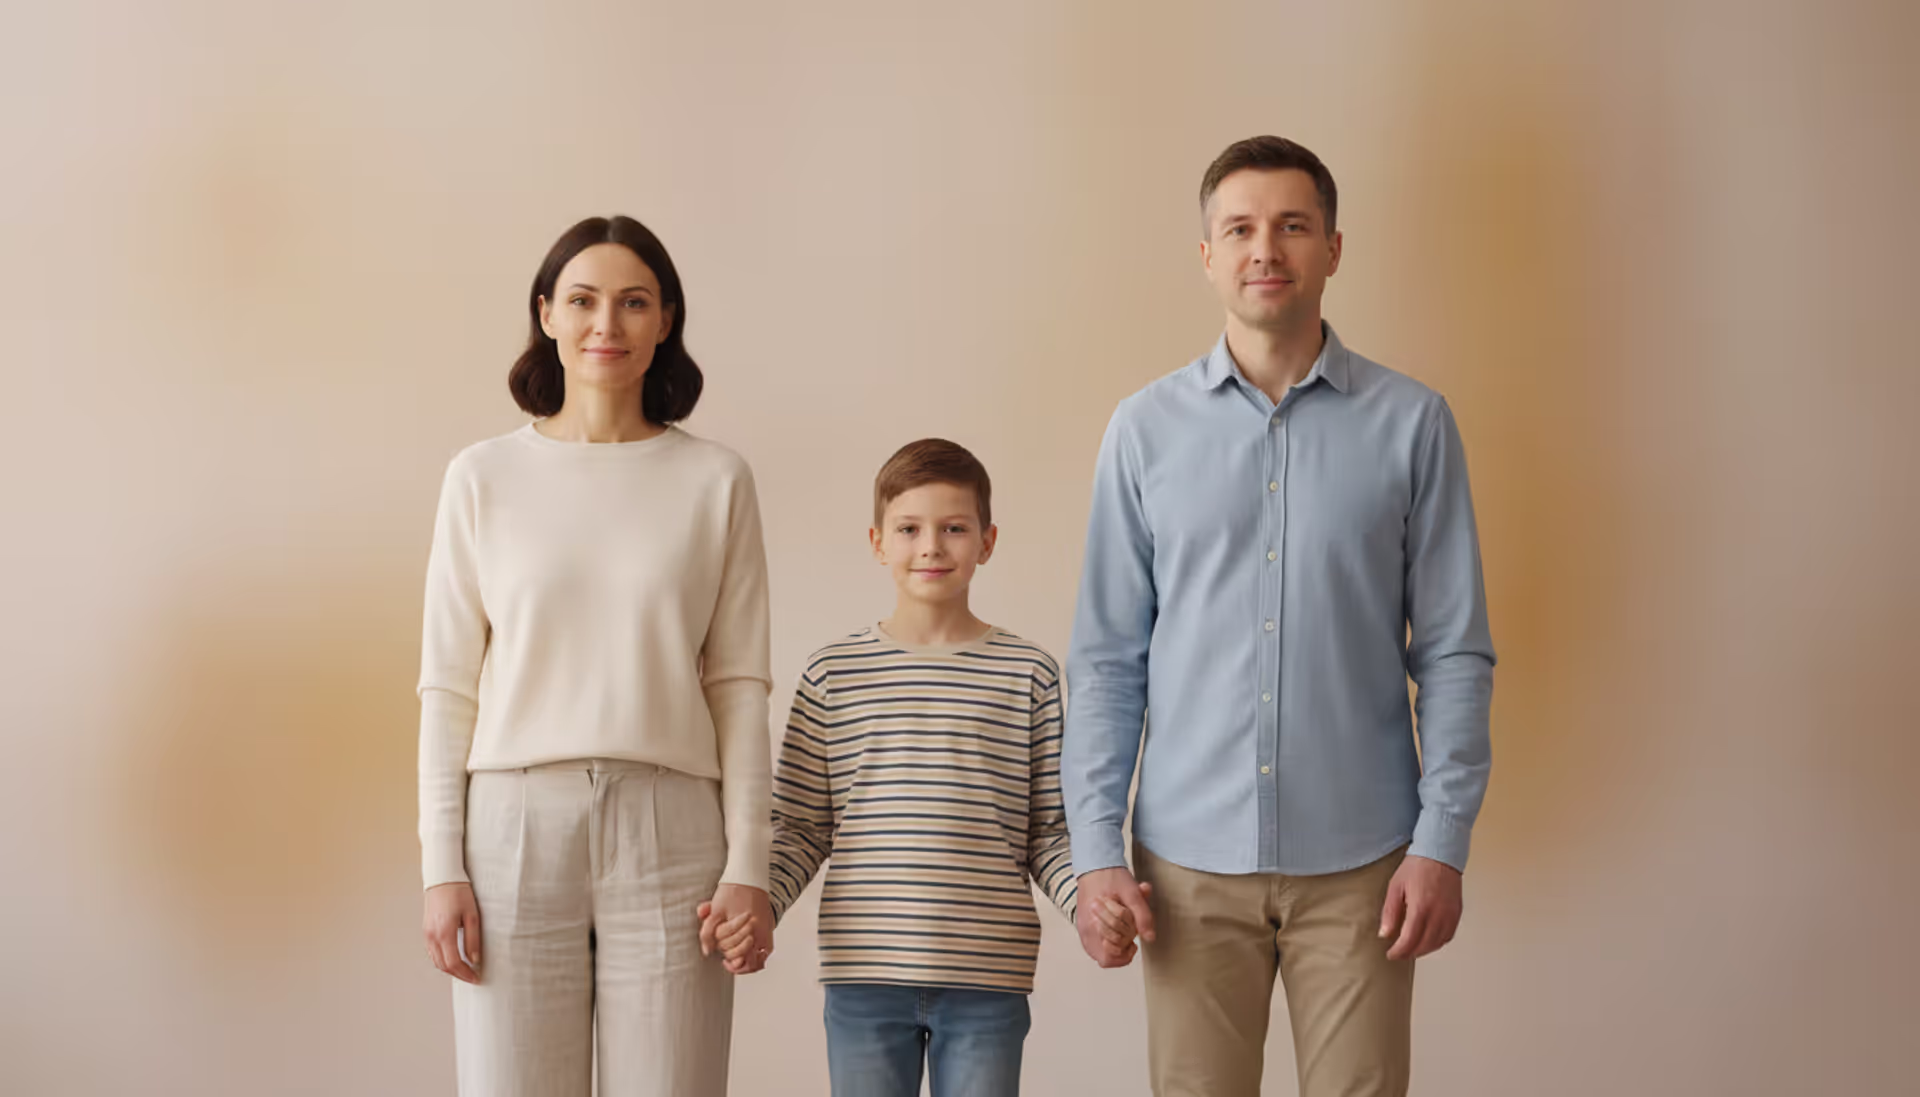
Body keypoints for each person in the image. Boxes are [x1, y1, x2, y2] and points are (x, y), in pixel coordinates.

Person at [1063, 136, 1497, 1097]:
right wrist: (1094, 852)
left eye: (1293, 225)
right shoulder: (1143, 432)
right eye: (1241, 228)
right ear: (1207, 254)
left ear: (1333, 248)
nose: (1266, 248)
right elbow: (1105, 661)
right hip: (1184, 869)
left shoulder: (1414, 424)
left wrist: (1441, 841)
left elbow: (1454, 652)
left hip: (1365, 865)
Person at [416, 215, 775, 1097]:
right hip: (512, 825)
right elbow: (448, 688)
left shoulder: (716, 479)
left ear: (665, 319)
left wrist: (749, 863)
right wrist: (442, 866)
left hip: (673, 828)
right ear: (546, 313)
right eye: (582, 300)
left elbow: (738, 687)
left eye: (633, 302)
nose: (606, 324)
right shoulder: (481, 476)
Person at [703, 439, 1084, 1096]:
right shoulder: (833, 673)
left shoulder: (1029, 673)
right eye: (910, 529)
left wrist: (1090, 905)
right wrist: (761, 905)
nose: (931, 547)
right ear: (878, 542)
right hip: (863, 973)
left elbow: (1049, 830)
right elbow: (801, 826)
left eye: (953, 528)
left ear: (988, 541)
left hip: (987, 976)